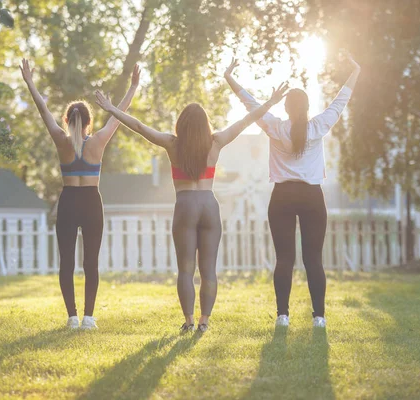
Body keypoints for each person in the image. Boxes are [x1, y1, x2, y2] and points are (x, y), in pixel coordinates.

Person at [94, 81, 289, 332]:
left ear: (182, 124)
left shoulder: (172, 144)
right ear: (205, 124)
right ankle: (204, 321)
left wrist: (112, 109)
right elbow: (245, 121)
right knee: (209, 270)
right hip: (209, 204)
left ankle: (188, 320)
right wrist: (271, 103)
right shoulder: (216, 142)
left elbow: (140, 127)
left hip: (185, 205)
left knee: (185, 270)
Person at [224, 56, 361, 328]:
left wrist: (230, 77)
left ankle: (282, 316)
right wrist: (355, 71)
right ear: (308, 107)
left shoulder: (275, 126)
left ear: (285, 107)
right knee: (314, 259)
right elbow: (340, 101)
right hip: (312, 197)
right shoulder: (318, 127)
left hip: (282, 197)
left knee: (284, 258)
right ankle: (319, 317)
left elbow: (250, 103)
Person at [20, 58, 141, 329]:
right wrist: (132, 87)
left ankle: (72, 317)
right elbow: (118, 116)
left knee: (67, 262)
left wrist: (30, 82)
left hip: (68, 202)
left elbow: (42, 109)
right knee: (91, 262)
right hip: (91, 202)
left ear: (66, 120)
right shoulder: (98, 141)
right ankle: (88, 317)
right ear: (89, 121)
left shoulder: (61, 141)